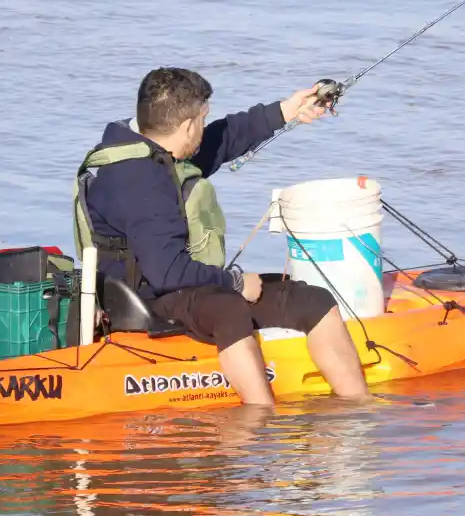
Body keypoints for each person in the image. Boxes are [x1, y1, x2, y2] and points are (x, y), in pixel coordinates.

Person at [72, 67, 371, 405]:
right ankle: (260, 421)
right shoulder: (143, 186)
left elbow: (221, 140)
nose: (204, 124)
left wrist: (287, 111)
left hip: (167, 278)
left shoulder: (141, 143)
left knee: (313, 300)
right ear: (186, 126)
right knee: (229, 307)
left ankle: (358, 413)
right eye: (202, 118)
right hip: (147, 297)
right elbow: (167, 273)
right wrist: (237, 282)